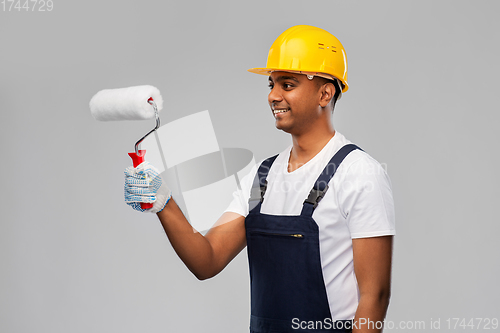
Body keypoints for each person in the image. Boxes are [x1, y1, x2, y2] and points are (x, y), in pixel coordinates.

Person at [124, 25, 395, 333]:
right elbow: (207, 260)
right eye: (271, 84)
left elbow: (375, 296)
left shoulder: (360, 173)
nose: (273, 96)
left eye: (288, 84)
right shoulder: (263, 178)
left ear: (325, 93)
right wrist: (163, 202)